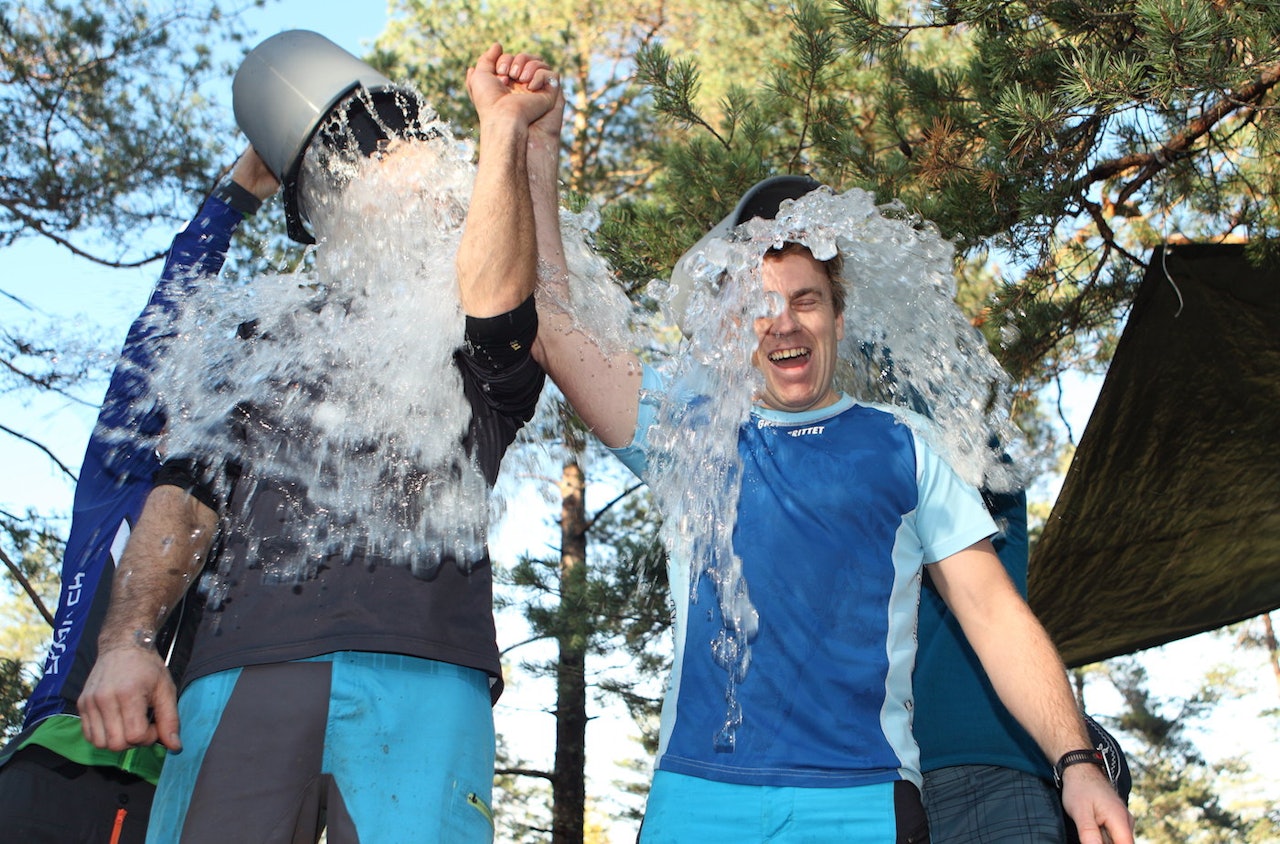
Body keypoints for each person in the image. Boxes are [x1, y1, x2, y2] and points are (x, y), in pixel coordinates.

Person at [487, 107, 1134, 841]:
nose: (784, 323)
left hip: (861, 800)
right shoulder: (691, 430)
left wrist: (1077, 761)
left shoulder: (903, 443)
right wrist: (537, 154)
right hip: (699, 798)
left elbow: (993, 612)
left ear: (837, 318)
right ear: (736, 324)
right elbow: (554, 328)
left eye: (805, 300)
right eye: (761, 306)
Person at [76, 44, 559, 843]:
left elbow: (502, 303)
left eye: (416, 147)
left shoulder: (466, 316)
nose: (409, 169)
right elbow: (184, 498)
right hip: (240, 664)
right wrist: (126, 640)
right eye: (377, 154)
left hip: (426, 669)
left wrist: (504, 129)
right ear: (325, 201)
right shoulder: (260, 335)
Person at [0, 148, 277, 843]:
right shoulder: (123, 468)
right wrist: (236, 198)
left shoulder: (260, 509)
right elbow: (163, 320)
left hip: (183, 793)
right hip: (60, 762)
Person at [917, 487, 1132, 843]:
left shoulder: (952, 464)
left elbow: (993, 612)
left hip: (986, 775)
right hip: (865, 778)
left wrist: (1078, 761)